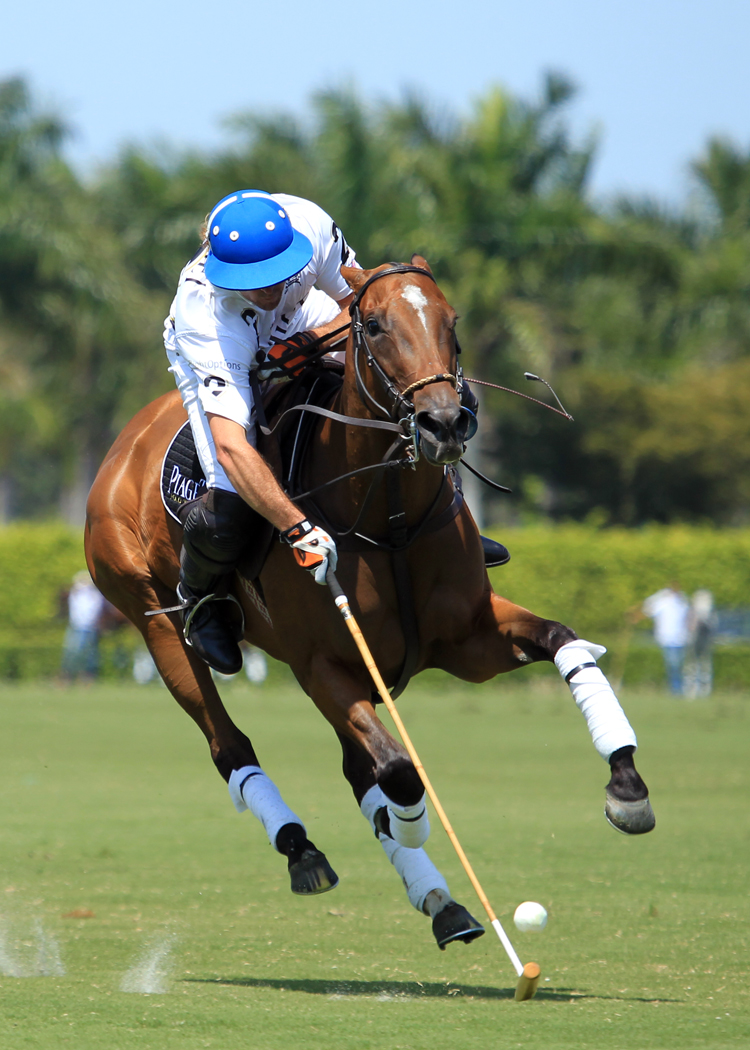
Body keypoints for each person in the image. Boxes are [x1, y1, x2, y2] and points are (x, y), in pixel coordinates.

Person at [164, 189, 508, 677]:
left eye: (275, 275)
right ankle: (197, 597)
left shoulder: (311, 226)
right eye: (253, 282)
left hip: (306, 318)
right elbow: (232, 447)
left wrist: (307, 342)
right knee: (228, 501)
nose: (267, 290)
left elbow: (364, 308)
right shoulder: (205, 314)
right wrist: (297, 528)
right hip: (226, 344)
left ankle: (452, 528)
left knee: (419, 392)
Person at [636, 583, 691, 695]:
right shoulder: (664, 601)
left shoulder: (681, 602)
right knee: (674, 665)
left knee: (678, 666)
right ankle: (676, 689)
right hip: (668, 639)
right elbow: (649, 609)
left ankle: (678, 689)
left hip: (679, 638)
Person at [59, 570, 107, 681]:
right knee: (71, 652)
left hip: (89, 628)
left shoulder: (94, 595)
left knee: (90, 654)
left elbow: (95, 611)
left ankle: (86, 677)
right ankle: (67, 676)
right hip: (77, 627)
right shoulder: (75, 594)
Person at [684, 589, 716, 698]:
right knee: (692, 666)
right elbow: (689, 626)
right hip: (694, 641)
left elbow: (711, 627)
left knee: (704, 666)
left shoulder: (709, 615)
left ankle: (704, 690)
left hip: (703, 641)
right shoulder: (692, 612)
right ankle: (691, 689)